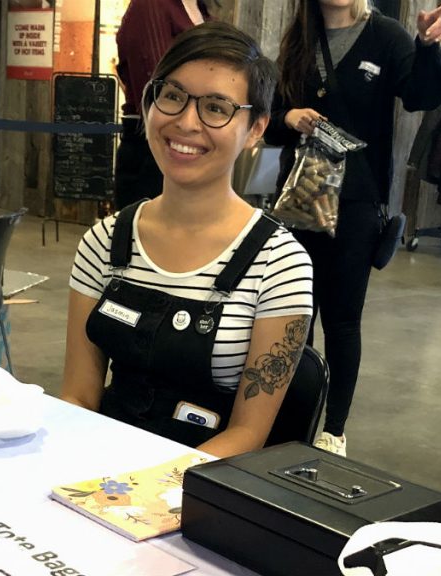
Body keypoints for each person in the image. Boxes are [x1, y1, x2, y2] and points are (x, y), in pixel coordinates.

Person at [62, 22, 314, 459]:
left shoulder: (280, 263)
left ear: (255, 129)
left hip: (202, 489)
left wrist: (143, 497)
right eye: (174, 96)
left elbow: (248, 435)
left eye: (216, 107)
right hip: (96, 471)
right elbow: (80, 397)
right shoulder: (104, 241)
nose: (186, 122)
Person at [266, 0, 441, 457]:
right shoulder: (299, 37)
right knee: (295, 316)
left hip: (355, 206)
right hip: (300, 199)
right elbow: (268, 120)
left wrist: (429, 47)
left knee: (342, 319)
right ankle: (291, 416)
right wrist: (289, 119)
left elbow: (423, 97)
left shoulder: (385, 37)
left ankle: (333, 429)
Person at [113, 0, 212, 210]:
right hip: (153, 146)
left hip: (192, 144)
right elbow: (159, 91)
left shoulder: (201, 9)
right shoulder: (151, 5)